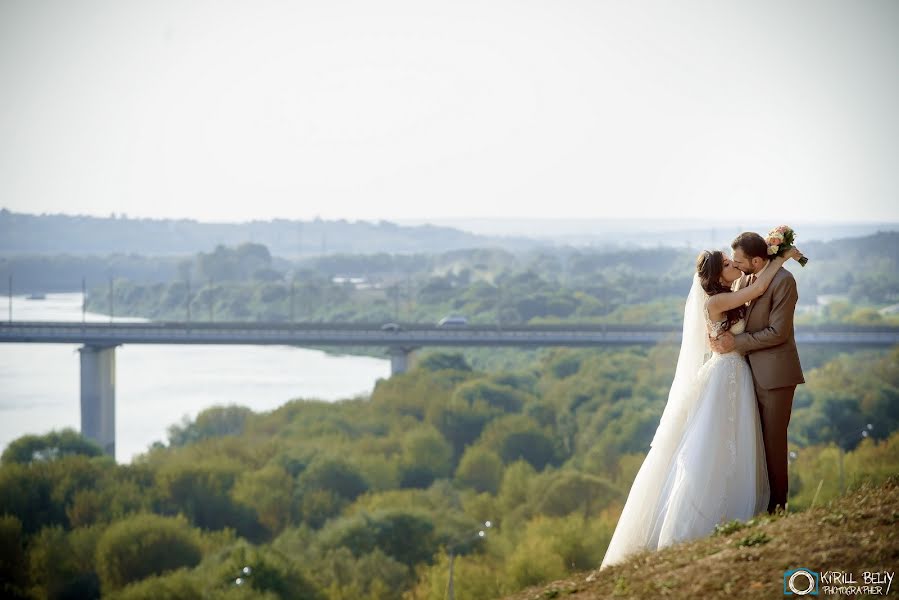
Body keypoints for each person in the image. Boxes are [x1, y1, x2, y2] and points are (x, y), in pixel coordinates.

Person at [599, 245, 803, 570]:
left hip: (736, 374)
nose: (732, 264)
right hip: (726, 375)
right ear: (716, 274)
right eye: (726, 263)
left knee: (735, 441)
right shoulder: (716, 301)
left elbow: (753, 287)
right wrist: (781, 257)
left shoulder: (727, 292)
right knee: (715, 444)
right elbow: (760, 287)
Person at [709, 232, 806, 514]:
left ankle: (778, 510)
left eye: (739, 261)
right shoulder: (743, 280)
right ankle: (758, 506)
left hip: (776, 377)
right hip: (746, 375)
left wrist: (735, 343)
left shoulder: (784, 281)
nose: (736, 266)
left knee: (774, 446)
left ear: (756, 259)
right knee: (754, 445)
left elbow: (778, 333)